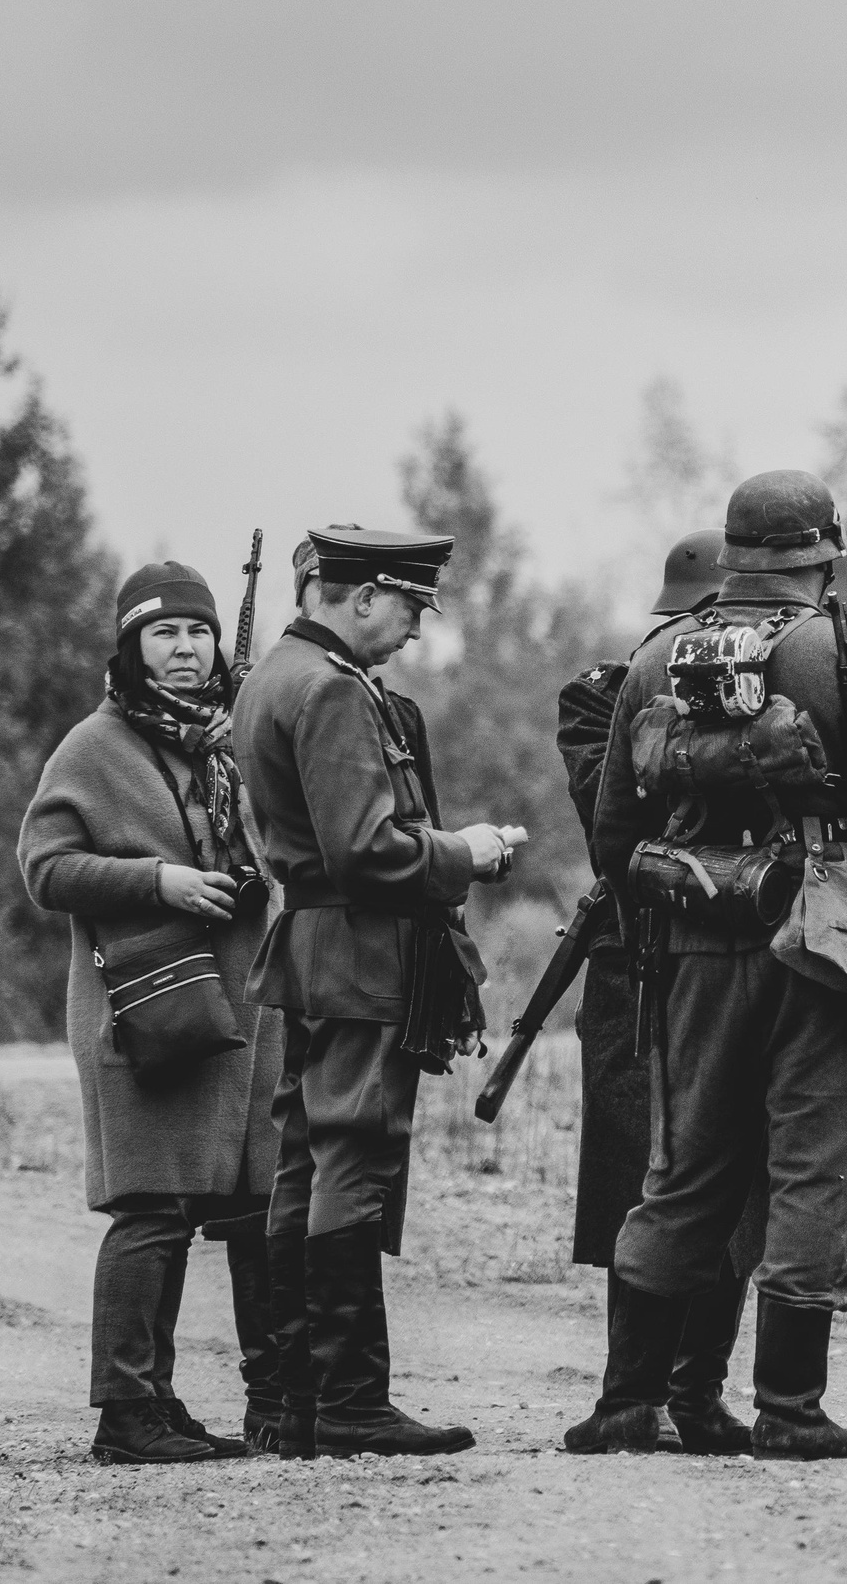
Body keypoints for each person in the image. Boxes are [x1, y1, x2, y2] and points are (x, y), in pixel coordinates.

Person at [571, 472, 847, 1461]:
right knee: (812, 1172)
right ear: (827, 552)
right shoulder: (845, 649)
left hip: (694, 948)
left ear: (734, 552)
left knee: (681, 1174)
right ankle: (789, 1408)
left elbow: (613, 828)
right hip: (824, 946)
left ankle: (626, 1403)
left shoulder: (655, 656)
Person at [233, 528, 525, 1458]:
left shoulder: (274, 675)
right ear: (363, 597)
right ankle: (350, 1399)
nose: (413, 630)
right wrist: (466, 851)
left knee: (304, 1161)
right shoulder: (330, 689)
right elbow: (365, 850)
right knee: (353, 1156)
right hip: (358, 950)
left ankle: (296, 1397)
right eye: (409, 607)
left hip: (314, 945)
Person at [18, 562, 287, 1465]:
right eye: (163, 632)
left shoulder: (230, 739)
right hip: (144, 1007)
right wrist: (157, 880)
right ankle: (126, 1415)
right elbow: (45, 867)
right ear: (131, 647)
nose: (185, 648)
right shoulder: (93, 746)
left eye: (198, 631)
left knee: (246, 1207)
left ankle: (224, 1405)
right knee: (152, 1208)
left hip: (243, 1015)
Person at [555, 529, 768, 1456]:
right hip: (638, 960)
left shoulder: (781, 689)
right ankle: (630, 1393)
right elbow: (613, 820)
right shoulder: (604, 696)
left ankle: (698, 1390)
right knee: (640, 1177)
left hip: (738, 956)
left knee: (735, 1180)